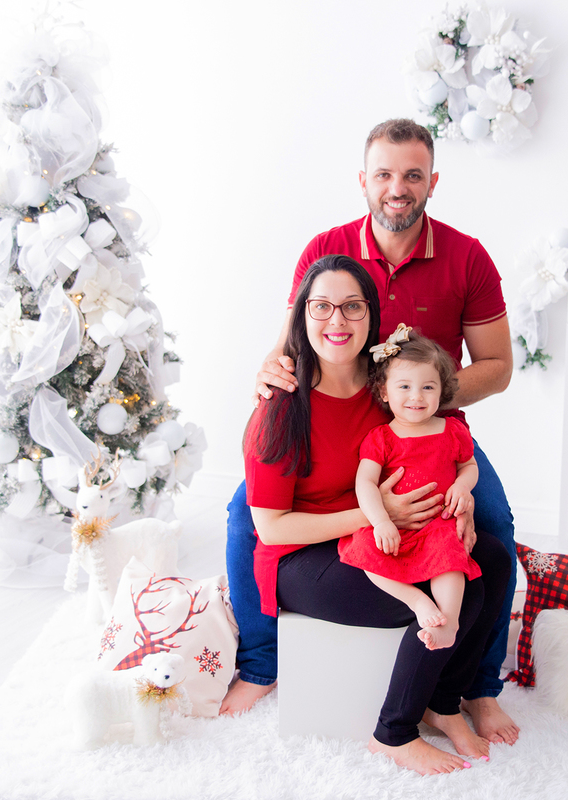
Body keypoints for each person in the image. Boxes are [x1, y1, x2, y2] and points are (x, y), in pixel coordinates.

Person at [224, 119, 519, 745]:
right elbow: (290, 341)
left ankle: (477, 687)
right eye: (384, 174)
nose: (397, 188)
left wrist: (420, 403)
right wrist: (268, 372)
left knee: (494, 527)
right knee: (244, 517)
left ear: (432, 182)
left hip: (433, 428)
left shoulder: (467, 256)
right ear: (364, 180)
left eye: (412, 175)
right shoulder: (327, 247)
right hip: (334, 419)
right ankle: (262, 662)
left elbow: (499, 367)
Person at [244, 254, 510, 774]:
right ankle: (393, 732)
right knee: (447, 591)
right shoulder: (280, 407)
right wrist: (375, 515)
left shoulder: (393, 387)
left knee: (494, 561)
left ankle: (445, 698)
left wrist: (463, 499)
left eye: (351, 307)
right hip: (302, 556)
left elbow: (448, 452)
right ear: (300, 316)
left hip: (398, 530)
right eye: (321, 307)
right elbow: (270, 526)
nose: (337, 321)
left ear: (371, 317)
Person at [340, 325, 481, 652]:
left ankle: (450, 621)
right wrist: (381, 522)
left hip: (437, 523)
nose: (416, 397)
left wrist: (463, 484)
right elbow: (365, 483)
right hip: (395, 527)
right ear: (385, 392)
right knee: (365, 551)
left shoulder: (453, 430)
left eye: (427, 387)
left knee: (451, 558)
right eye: (404, 386)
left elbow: (469, 466)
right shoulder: (381, 438)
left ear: (441, 391)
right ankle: (416, 600)